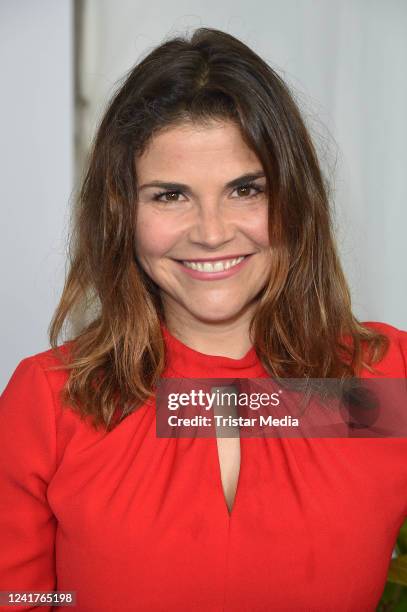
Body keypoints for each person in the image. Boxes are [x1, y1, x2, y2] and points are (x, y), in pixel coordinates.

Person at [0, 27, 406, 612]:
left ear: (294, 200)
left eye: (245, 190)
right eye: (170, 195)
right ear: (122, 214)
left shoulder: (386, 385)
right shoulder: (53, 402)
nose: (212, 232)